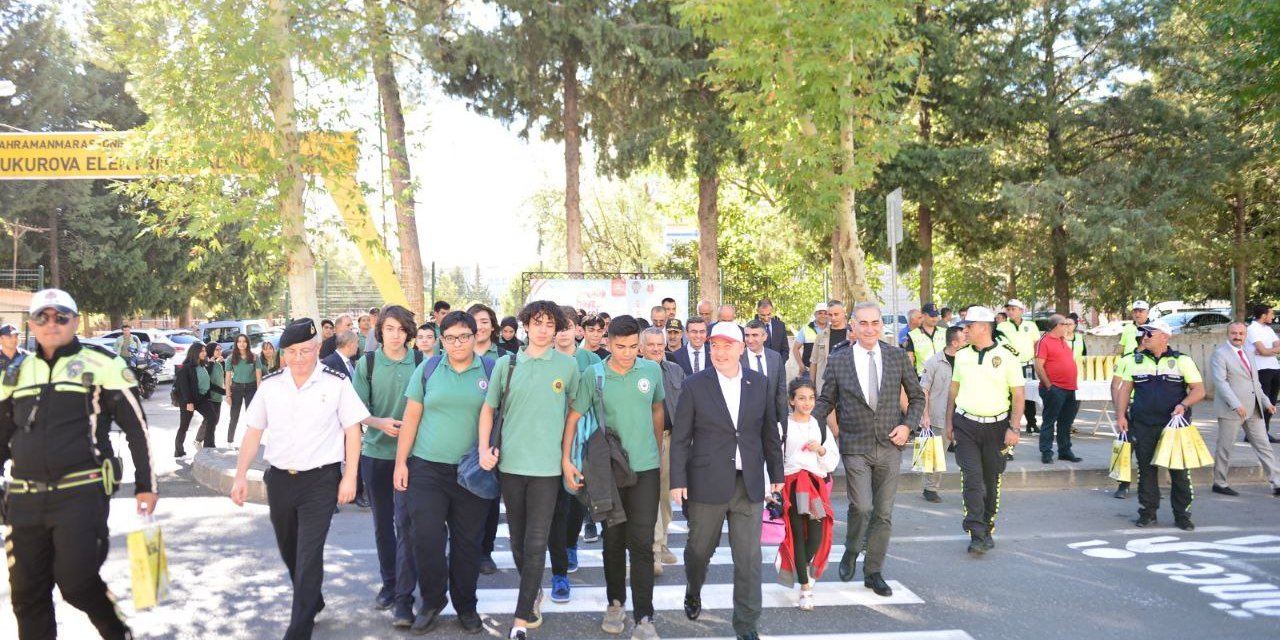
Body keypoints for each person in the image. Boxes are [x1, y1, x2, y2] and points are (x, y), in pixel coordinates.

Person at [0, 289, 157, 640]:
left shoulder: (103, 364)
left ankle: (118, 632)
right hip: (23, 499)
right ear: (31, 324)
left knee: (77, 582)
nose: (51, 323)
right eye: (43, 317)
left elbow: (137, 428)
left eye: (60, 316)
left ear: (75, 320)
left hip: (80, 493)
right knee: (27, 595)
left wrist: (147, 485)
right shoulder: (14, 372)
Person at [230, 319, 383, 640]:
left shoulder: (336, 382)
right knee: (289, 548)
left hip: (321, 481)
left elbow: (353, 430)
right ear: (282, 354)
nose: (299, 358)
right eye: (292, 352)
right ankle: (312, 596)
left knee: (308, 553)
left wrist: (350, 477)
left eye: (305, 351)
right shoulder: (271, 385)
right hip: (281, 480)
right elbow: (253, 431)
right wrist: (241, 475)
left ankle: (298, 628)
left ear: (317, 349)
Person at [478, 301, 586, 640]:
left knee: (537, 540)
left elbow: (574, 414)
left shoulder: (568, 366)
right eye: (537, 322)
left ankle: (521, 618)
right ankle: (532, 590)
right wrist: (484, 449)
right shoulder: (506, 364)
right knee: (519, 542)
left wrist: (566, 457)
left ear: (557, 329)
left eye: (549, 324)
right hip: (510, 466)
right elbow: (488, 409)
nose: (543, 329)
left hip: (547, 469)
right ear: (526, 325)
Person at [670, 322, 783, 640]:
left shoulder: (759, 383)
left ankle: (747, 625)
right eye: (714, 346)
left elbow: (768, 432)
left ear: (741, 348)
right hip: (706, 482)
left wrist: (777, 475)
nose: (719, 352)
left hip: (748, 484)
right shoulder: (694, 384)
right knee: (698, 551)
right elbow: (681, 437)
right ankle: (693, 589)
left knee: (748, 559)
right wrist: (677, 480)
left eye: (727, 346)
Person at [563, 316, 665, 640]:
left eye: (634, 346)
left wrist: (656, 446)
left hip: (646, 468)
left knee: (642, 542)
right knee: (614, 539)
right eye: (620, 346)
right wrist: (566, 459)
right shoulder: (594, 376)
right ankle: (615, 603)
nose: (627, 353)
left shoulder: (651, 370)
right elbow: (574, 416)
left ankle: (645, 617)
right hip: (608, 470)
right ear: (607, 343)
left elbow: (657, 409)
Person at [393, 311, 494, 635]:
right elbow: (411, 417)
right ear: (441, 339)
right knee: (426, 539)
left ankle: (466, 606)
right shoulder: (429, 368)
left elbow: (501, 418)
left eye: (464, 336)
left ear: (474, 335)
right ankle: (433, 601)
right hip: (426, 469)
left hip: (472, 472)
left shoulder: (491, 371)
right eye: (450, 338)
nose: (457, 343)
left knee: (468, 544)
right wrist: (401, 462)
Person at [813, 302, 923, 594]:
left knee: (883, 513)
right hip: (855, 445)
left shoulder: (897, 356)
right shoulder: (839, 360)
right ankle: (851, 549)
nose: (870, 329)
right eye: (863, 323)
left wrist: (907, 426)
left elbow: (917, 398)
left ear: (881, 325)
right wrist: (805, 426)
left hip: (890, 444)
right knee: (862, 507)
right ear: (853, 325)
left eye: (875, 323)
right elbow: (826, 401)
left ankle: (873, 572)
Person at [353, 305, 422, 627]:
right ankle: (390, 583)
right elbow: (355, 410)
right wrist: (378, 422)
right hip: (376, 456)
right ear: (380, 331)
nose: (395, 335)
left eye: (401, 329)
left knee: (406, 524)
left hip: (412, 458)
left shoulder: (421, 363)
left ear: (409, 332)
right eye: (389, 328)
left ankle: (406, 587)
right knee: (383, 524)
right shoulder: (367, 364)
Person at [947, 306, 1023, 555]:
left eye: (968, 326)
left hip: (997, 427)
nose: (964, 330)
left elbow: (1018, 394)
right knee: (971, 478)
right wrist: (949, 423)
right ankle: (976, 532)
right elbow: (953, 391)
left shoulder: (1008, 355)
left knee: (990, 480)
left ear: (983, 327)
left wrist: (1014, 427)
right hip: (966, 425)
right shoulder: (962, 355)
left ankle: (987, 525)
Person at [1115, 319, 1205, 530]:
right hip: (1143, 424)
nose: (1144, 337)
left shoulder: (1182, 361)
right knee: (1146, 470)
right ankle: (1148, 513)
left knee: (1179, 471)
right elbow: (1125, 390)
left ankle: (1182, 515)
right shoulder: (1134, 361)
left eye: (1149, 334)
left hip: (1173, 426)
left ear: (1164, 337)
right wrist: (1121, 416)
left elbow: (1198, 390)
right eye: (1143, 334)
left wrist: (1183, 404)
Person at [546, 306, 602, 602]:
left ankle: (570, 545)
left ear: (577, 329)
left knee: (576, 500)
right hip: (548, 443)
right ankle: (559, 572)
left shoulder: (591, 360)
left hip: (583, 443)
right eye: (559, 326)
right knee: (556, 506)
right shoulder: (543, 358)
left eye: (568, 326)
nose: (563, 332)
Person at [778, 379, 839, 610]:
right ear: (791, 400)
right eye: (801, 398)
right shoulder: (782, 425)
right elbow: (773, 458)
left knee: (816, 532)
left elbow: (831, 460)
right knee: (796, 531)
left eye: (811, 398)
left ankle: (799, 566)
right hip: (792, 487)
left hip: (814, 488)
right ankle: (805, 588)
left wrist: (821, 449)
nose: (807, 403)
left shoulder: (819, 425)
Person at [1210, 322, 1280, 497]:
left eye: (1241, 333)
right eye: (1234, 333)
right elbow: (1221, 383)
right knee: (1225, 447)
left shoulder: (1249, 352)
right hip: (1231, 410)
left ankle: (1277, 482)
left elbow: (1255, 382)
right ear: (1228, 334)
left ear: (1246, 335)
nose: (1238, 336)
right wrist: (1236, 404)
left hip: (1254, 408)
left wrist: (1265, 402)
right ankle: (1219, 482)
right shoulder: (1220, 354)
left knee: (1264, 446)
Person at [640, 326, 684, 577]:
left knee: (666, 495)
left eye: (660, 344)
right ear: (642, 347)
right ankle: (653, 549)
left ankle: (662, 540)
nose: (656, 349)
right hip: (645, 441)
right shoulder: (636, 372)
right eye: (651, 345)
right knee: (649, 494)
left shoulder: (676, 370)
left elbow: (686, 404)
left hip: (672, 439)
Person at [919, 325, 967, 502]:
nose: (967, 341)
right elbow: (923, 390)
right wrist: (925, 415)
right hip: (938, 415)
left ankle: (973, 490)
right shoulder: (934, 362)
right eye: (964, 339)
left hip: (965, 414)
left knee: (969, 455)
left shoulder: (967, 359)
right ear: (954, 343)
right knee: (935, 455)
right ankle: (930, 488)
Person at [1034, 315, 1082, 464]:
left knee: (1066, 422)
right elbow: (1039, 366)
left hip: (1069, 388)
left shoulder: (1063, 341)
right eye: (1065, 324)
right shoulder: (1044, 341)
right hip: (1055, 388)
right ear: (1056, 326)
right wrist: (1049, 386)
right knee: (1050, 421)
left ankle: (1065, 451)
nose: (1068, 327)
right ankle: (1046, 452)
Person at [1110, 331, 1147, 499]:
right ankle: (1123, 485)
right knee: (1126, 447)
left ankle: (1148, 485)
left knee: (1150, 450)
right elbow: (1115, 385)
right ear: (1141, 341)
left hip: (1150, 410)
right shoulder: (1126, 360)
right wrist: (1120, 411)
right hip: (1130, 407)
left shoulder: (1156, 361)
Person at [996, 299, 1041, 434]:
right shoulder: (1002, 327)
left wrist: (1036, 359)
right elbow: (1001, 345)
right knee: (1011, 395)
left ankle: (1031, 423)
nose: (1010, 312)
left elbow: (1036, 343)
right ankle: (1009, 423)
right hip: (1010, 366)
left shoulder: (1031, 325)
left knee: (1029, 395)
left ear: (1021, 310)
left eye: (1013, 309)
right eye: (1008, 309)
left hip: (1027, 366)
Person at [743, 319, 787, 433]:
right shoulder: (738, 358)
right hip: (745, 420)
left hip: (771, 419)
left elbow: (781, 391)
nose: (750, 340)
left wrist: (784, 422)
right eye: (747, 335)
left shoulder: (776, 357)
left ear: (765, 336)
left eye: (755, 335)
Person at [174, 342, 217, 456]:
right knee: (184, 426)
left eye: (205, 351)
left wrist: (225, 391)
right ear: (195, 352)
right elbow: (184, 387)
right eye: (202, 351)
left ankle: (209, 447)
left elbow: (208, 384)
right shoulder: (186, 368)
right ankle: (179, 451)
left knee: (212, 418)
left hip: (201, 399)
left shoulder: (203, 366)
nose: (205, 353)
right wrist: (189, 402)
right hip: (188, 401)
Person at [1246, 303, 1280, 441]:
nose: (1273, 316)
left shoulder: (1268, 329)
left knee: (1271, 401)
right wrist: (1268, 351)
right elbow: (1262, 350)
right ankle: (1255, 434)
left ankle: (1264, 432)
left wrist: (1267, 351)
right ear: (1264, 315)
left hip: (1274, 367)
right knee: (1261, 402)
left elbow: (1271, 348)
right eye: (1271, 313)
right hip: (1260, 369)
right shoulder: (1253, 329)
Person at [225, 333, 261, 445]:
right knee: (234, 416)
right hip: (236, 388)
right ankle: (229, 441)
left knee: (252, 416)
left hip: (252, 388)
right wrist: (228, 395)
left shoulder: (254, 357)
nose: (242, 344)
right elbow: (227, 379)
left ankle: (253, 441)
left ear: (247, 343)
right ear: (236, 343)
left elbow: (258, 377)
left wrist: (260, 395)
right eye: (239, 341)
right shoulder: (231, 358)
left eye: (244, 341)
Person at [811, 301, 849, 398]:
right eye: (830, 315)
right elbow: (814, 362)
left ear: (844, 313)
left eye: (836, 314)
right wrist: (811, 386)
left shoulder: (852, 335)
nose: (833, 318)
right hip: (826, 386)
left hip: (848, 385)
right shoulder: (821, 335)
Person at [906, 303, 946, 376]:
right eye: (932, 316)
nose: (935, 319)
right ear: (923, 315)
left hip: (943, 377)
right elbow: (910, 359)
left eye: (936, 316)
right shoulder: (912, 335)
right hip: (924, 378)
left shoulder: (945, 332)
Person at [792, 303, 830, 382]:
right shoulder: (806, 329)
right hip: (808, 371)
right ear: (815, 315)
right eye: (820, 313)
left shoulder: (832, 329)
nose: (823, 315)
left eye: (825, 313)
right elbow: (795, 348)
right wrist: (801, 365)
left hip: (827, 371)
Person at [200, 342, 226, 445]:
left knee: (215, 422)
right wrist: (223, 391)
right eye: (217, 350)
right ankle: (207, 444)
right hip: (210, 398)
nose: (219, 352)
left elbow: (224, 377)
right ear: (211, 350)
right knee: (211, 422)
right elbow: (207, 381)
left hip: (218, 398)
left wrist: (222, 363)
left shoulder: (218, 363)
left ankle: (209, 444)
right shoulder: (206, 364)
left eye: (220, 349)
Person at [754, 298, 789, 364]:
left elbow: (785, 350)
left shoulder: (780, 326)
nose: (766, 318)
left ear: (772, 310)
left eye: (769, 314)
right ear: (757, 311)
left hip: (777, 367)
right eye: (763, 315)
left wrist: (779, 364)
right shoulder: (751, 327)